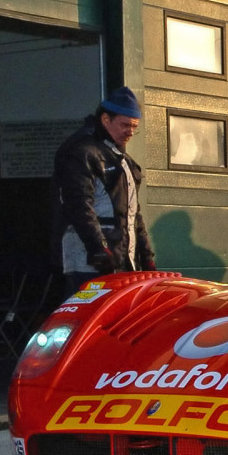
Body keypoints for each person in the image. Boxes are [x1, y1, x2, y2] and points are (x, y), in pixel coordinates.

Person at [51, 86, 156, 298]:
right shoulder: (83, 151)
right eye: (125, 125)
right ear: (106, 119)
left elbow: (134, 214)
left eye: (135, 127)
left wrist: (146, 256)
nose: (130, 132)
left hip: (120, 258)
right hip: (89, 261)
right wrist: (98, 249)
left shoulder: (122, 159)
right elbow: (78, 204)